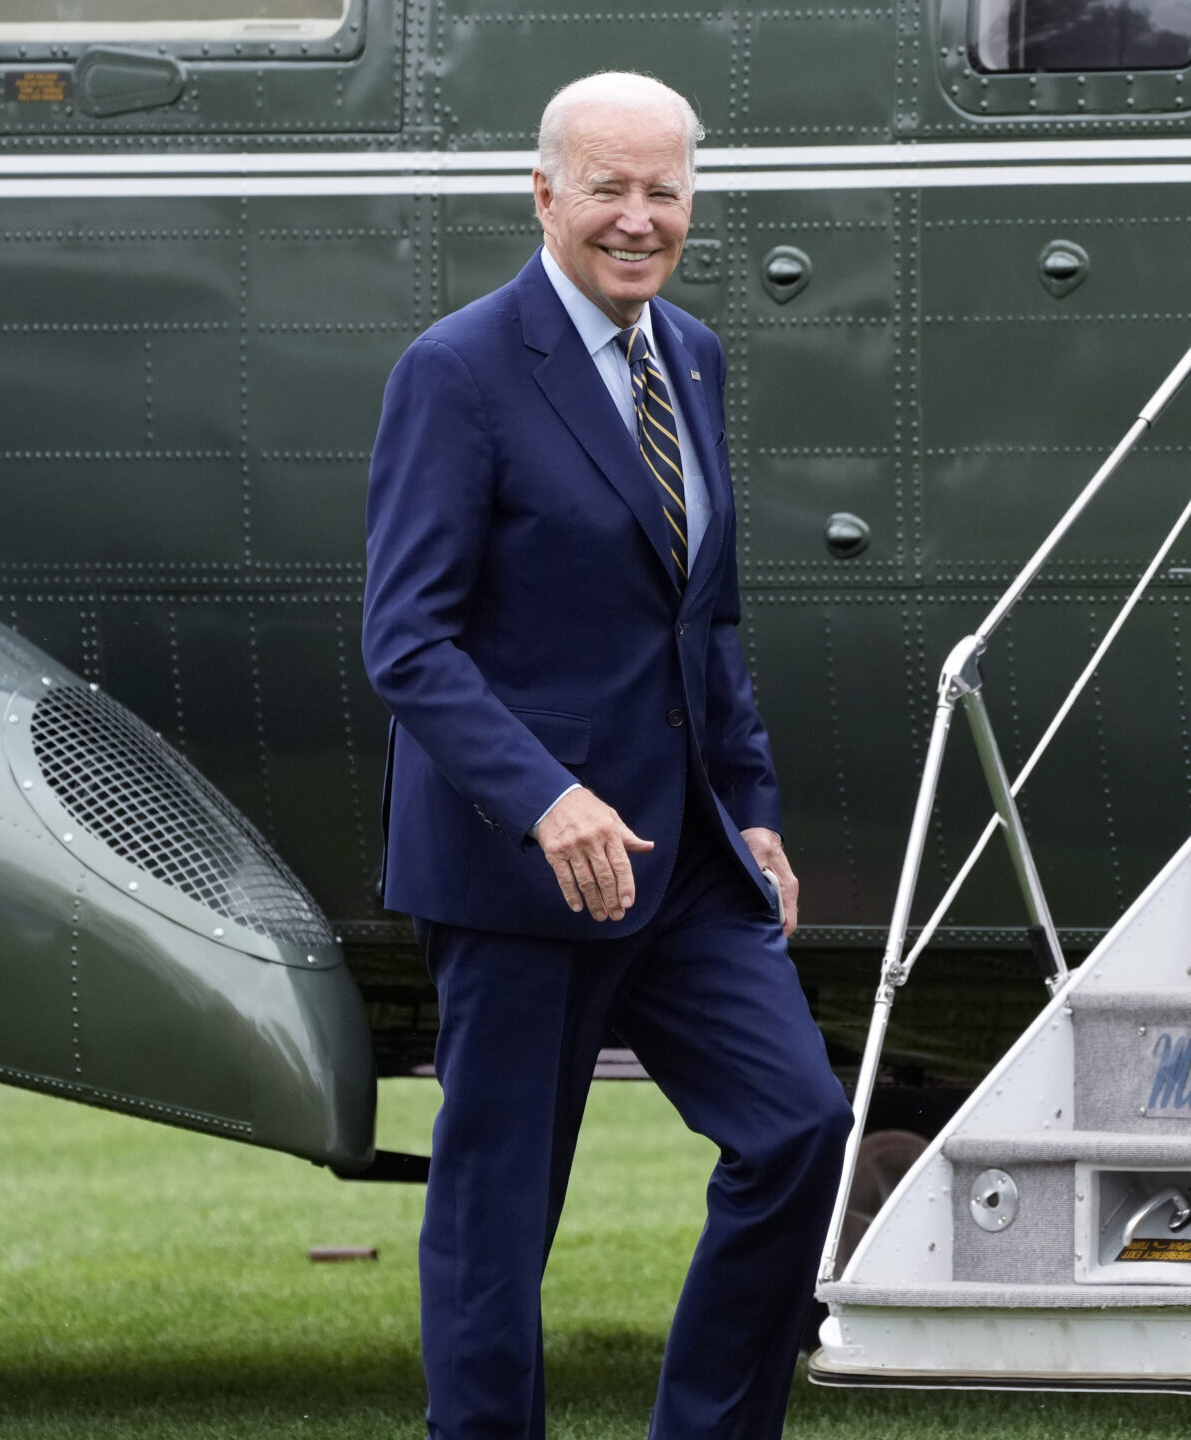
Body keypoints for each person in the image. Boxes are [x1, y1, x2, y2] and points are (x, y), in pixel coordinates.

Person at [361, 70, 854, 1440]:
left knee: (799, 1128)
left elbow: (709, 616)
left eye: (665, 191)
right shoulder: (456, 371)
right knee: (498, 1217)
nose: (638, 219)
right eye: (609, 189)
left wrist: (751, 808)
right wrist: (545, 800)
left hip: (686, 858)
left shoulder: (687, 354)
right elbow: (408, 643)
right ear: (544, 194)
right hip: (523, 872)